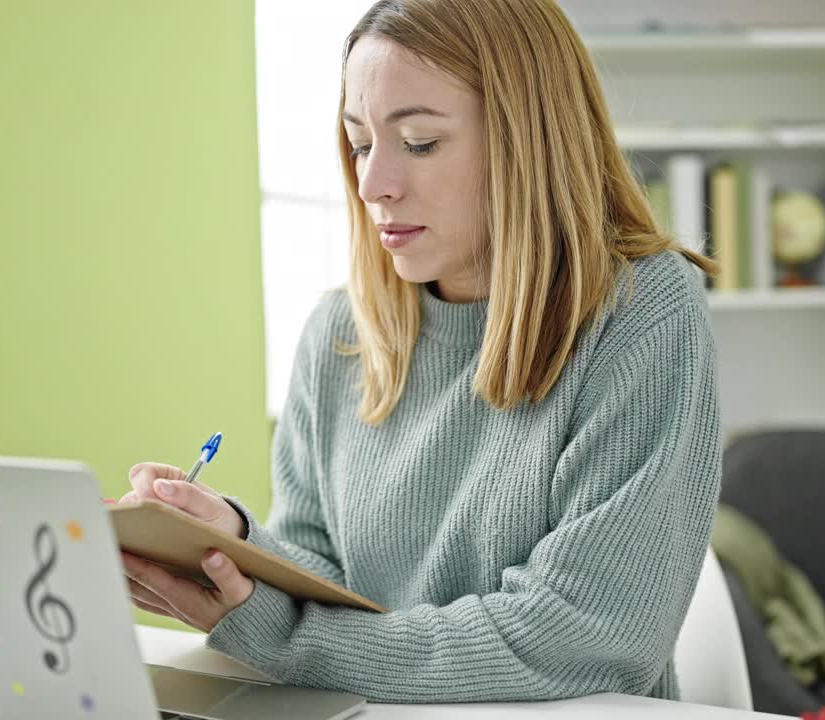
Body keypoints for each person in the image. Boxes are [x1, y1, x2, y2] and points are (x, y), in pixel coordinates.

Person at [118, 0, 721, 704]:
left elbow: (585, 637)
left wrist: (279, 635)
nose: (374, 185)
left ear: (530, 139)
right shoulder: (339, 330)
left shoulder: (643, 312)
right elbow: (327, 579)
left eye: (421, 142)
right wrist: (235, 547)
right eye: (361, 142)